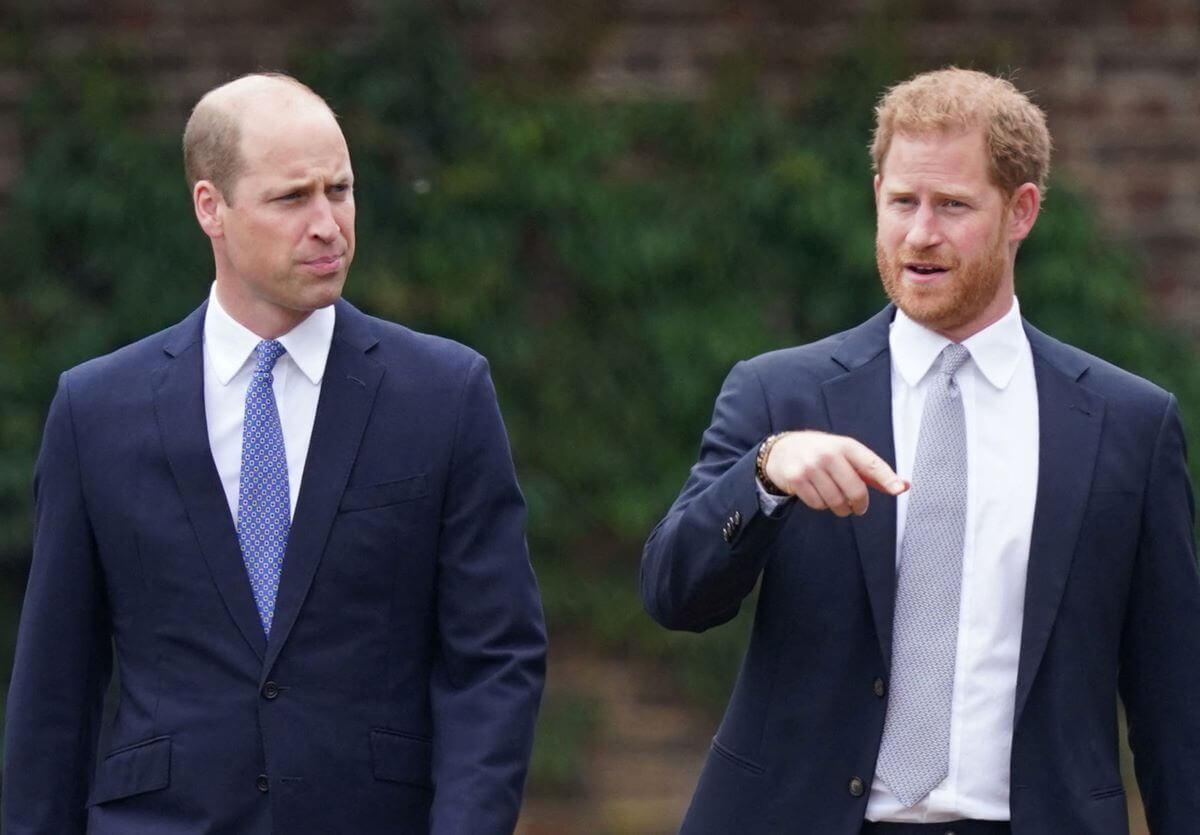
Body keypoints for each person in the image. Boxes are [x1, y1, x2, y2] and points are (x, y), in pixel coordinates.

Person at [641, 67, 1200, 834]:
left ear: (1021, 211)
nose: (920, 233)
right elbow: (674, 594)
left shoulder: (1128, 423)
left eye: (954, 206)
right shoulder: (780, 395)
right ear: (877, 195)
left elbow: (1174, 700)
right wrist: (763, 476)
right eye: (902, 201)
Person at [3, 73, 546, 834]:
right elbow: (54, 689)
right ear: (210, 208)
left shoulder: (445, 394)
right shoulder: (96, 412)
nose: (328, 224)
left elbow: (495, 657)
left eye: (341, 189)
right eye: (293, 198)